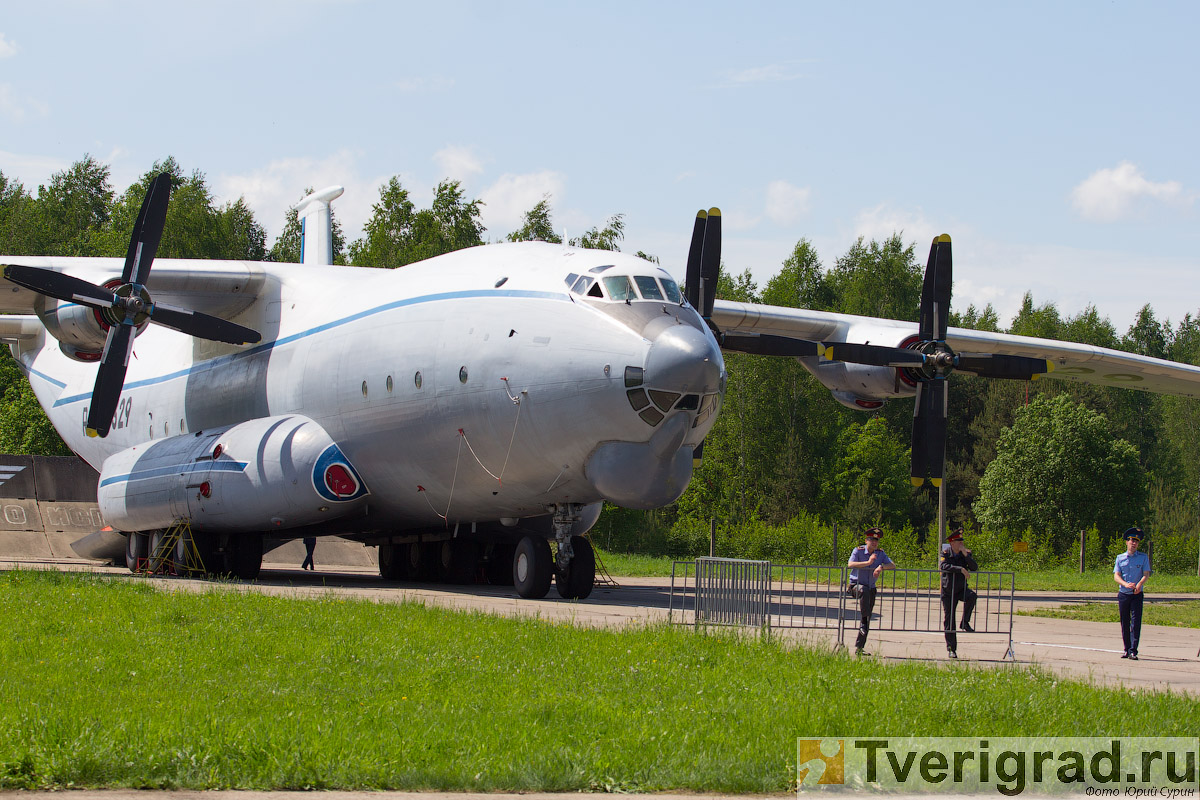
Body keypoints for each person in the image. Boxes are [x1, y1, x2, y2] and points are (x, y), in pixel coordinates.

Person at [846, 526, 896, 656]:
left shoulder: (880, 553)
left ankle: (859, 647)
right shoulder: (858, 551)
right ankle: (863, 619)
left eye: (876, 541)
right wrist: (868, 563)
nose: (874, 543)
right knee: (864, 592)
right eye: (871, 540)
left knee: (867, 617)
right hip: (856, 585)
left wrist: (881, 567)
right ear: (866, 540)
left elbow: (892, 565)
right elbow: (850, 564)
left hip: (870, 588)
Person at [1114, 527, 1151, 660]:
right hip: (1124, 593)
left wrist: (1140, 584)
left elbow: (1146, 574)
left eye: (1136, 541)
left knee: (1135, 622)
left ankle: (1133, 650)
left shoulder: (1143, 558)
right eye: (1131, 540)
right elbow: (1116, 576)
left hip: (1136, 594)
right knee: (1125, 621)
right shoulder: (1120, 558)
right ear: (1127, 542)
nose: (1133, 543)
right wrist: (1125, 584)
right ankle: (1126, 649)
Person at [940, 527, 977, 659]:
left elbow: (974, 567)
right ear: (952, 543)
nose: (961, 543)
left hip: (961, 589)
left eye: (962, 541)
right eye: (958, 541)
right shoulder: (945, 553)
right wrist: (960, 569)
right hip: (948, 591)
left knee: (972, 596)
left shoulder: (965, 553)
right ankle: (951, 649)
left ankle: (965, 622)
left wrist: (966, 556)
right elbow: (943, 566)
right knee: (949, 620)